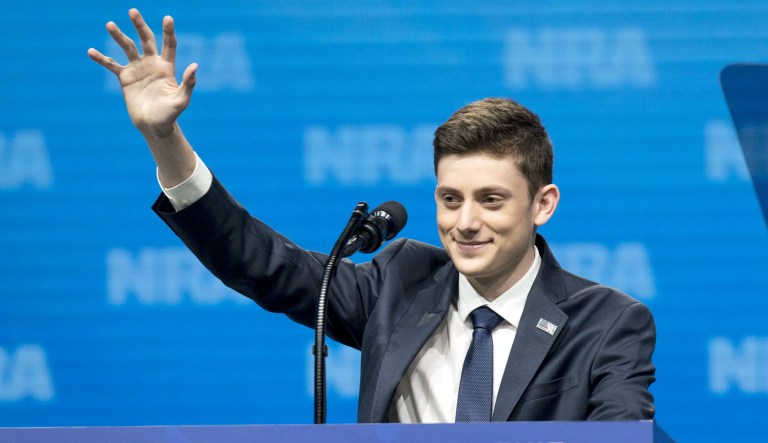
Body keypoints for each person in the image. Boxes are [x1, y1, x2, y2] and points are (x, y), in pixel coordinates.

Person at [88, 9, 656, 423]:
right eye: (450, 199)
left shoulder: (606, 323)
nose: (465, 223)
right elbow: (256, 260)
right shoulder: (399, 285)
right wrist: (165, 138)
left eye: (491, 200)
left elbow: (620, 436)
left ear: (543, 204)